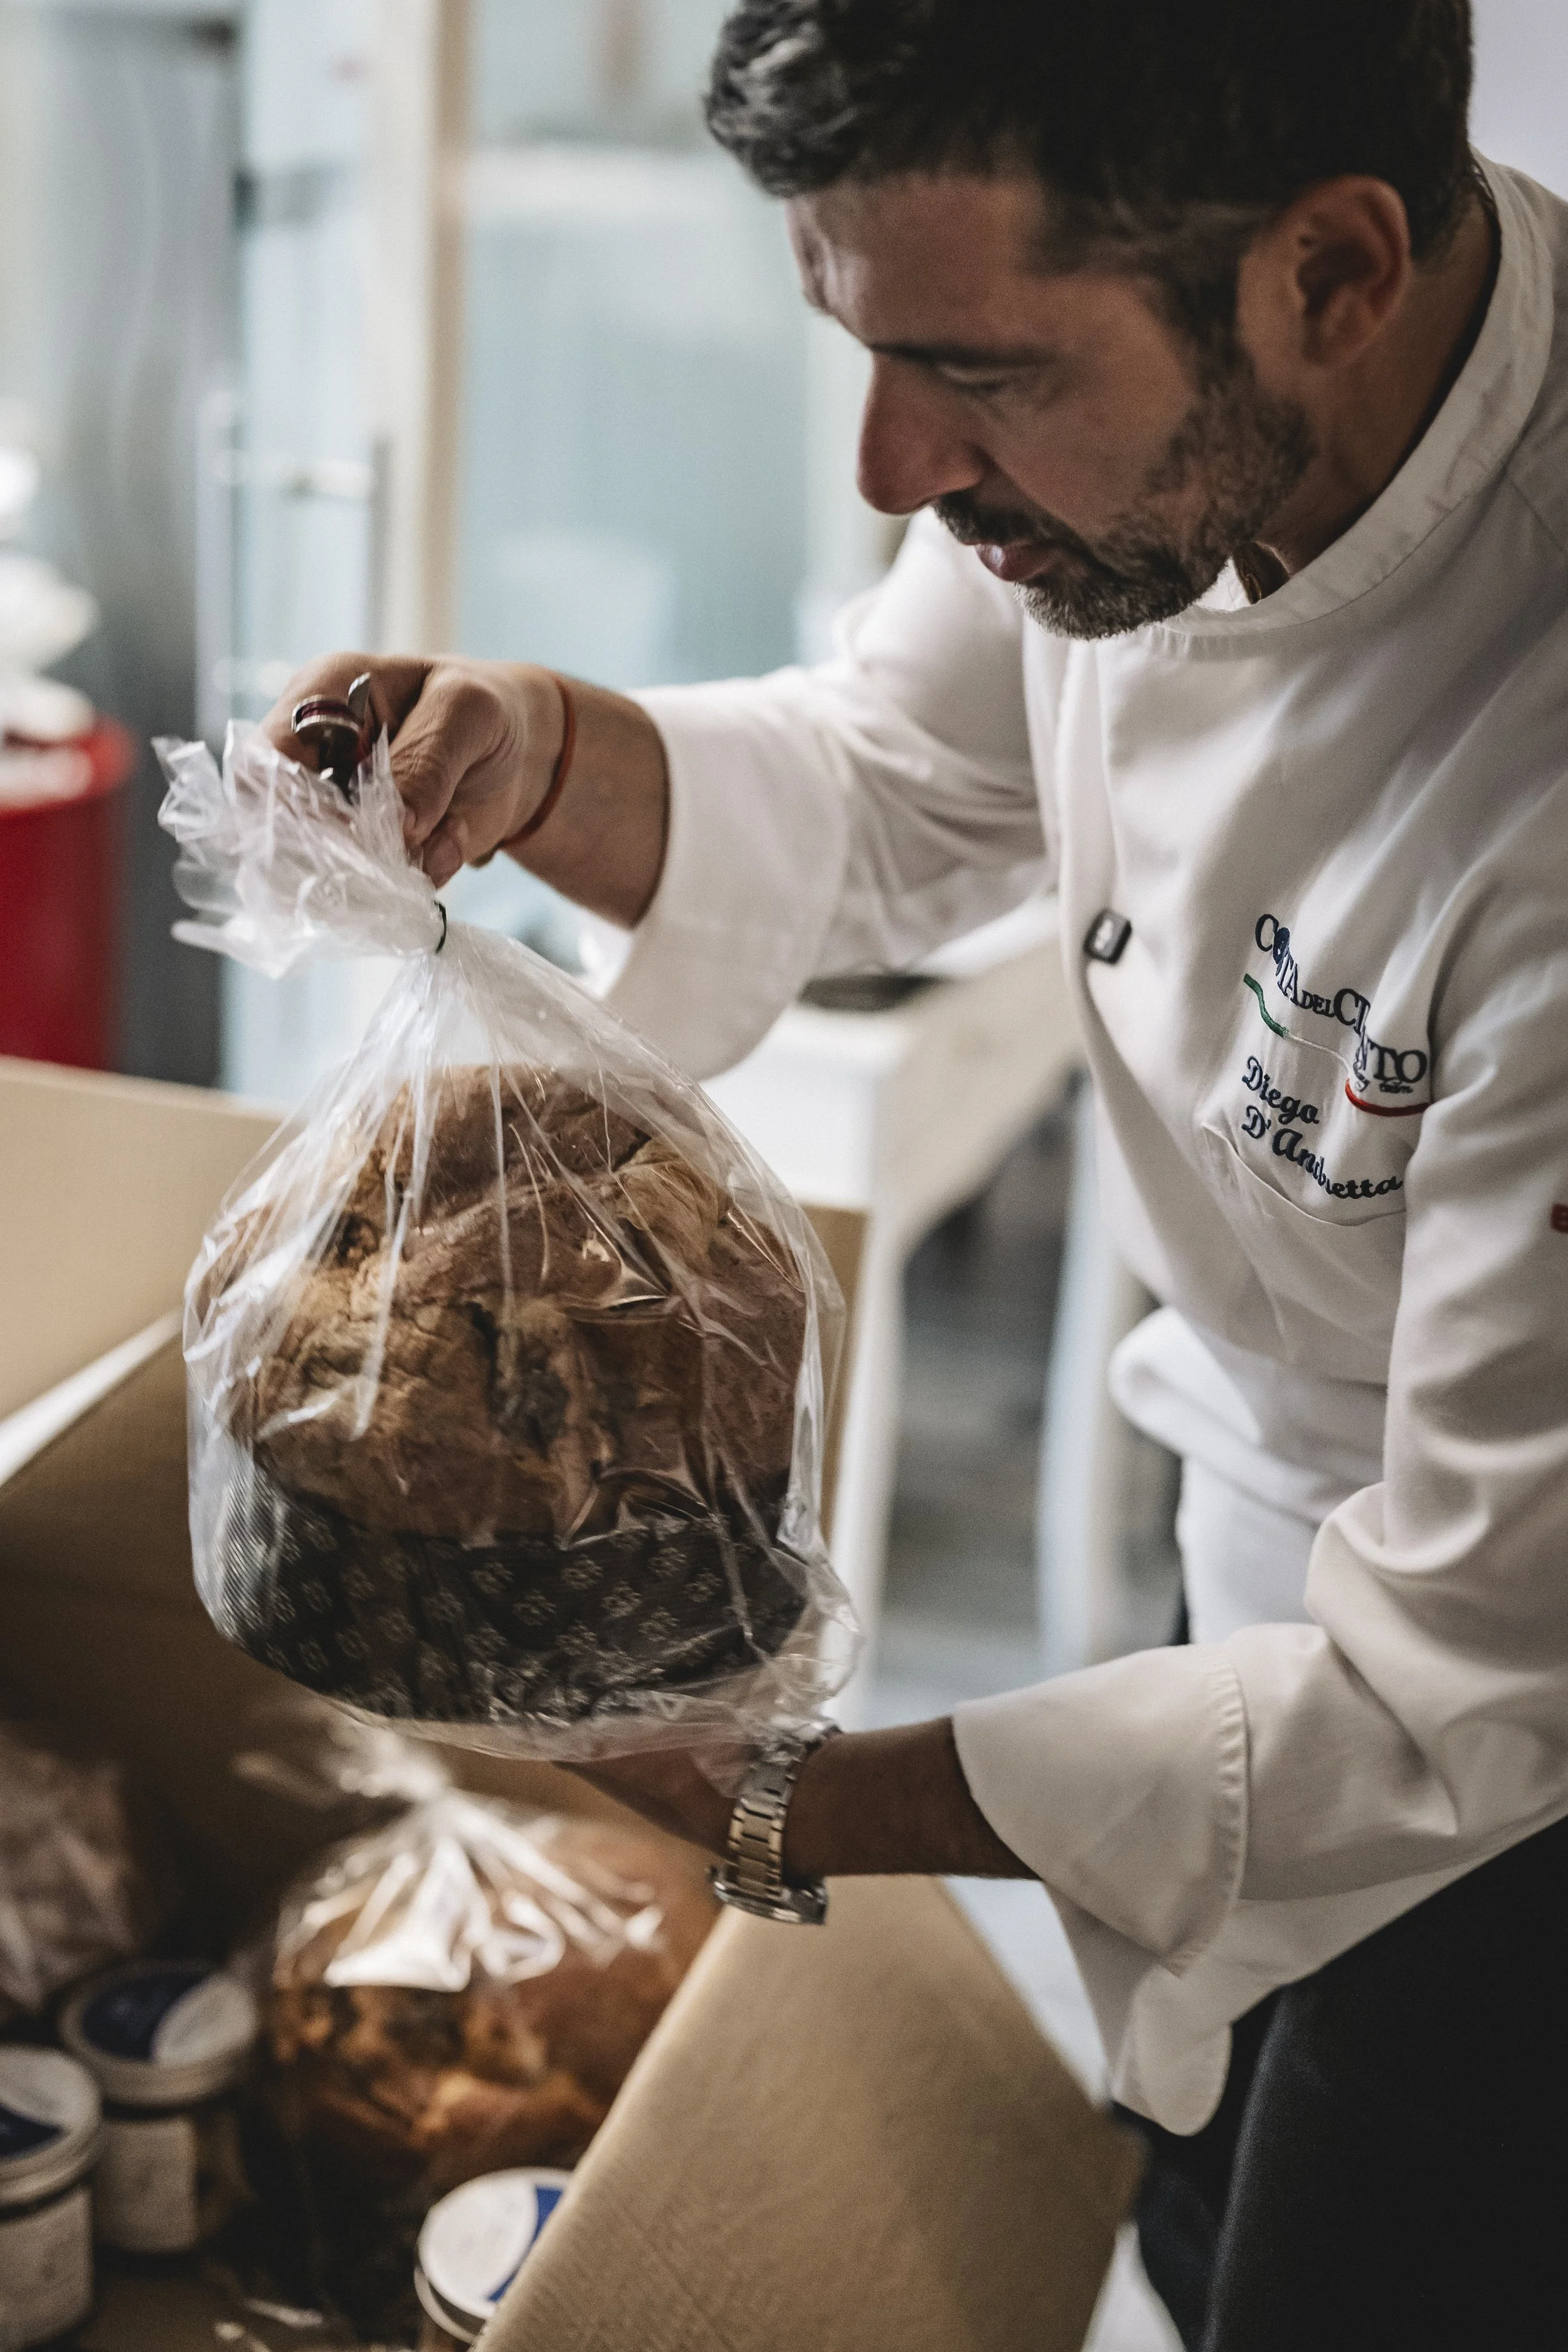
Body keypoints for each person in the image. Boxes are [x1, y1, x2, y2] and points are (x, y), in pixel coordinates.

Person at [268, 3, 1568, 2341]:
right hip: (1263, 1567)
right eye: (854, 344)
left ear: (1335, 274)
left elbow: (1452, 1700)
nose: (888, 468)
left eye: (975, 374)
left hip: (1519, 1772)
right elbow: (898, 778)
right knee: (1191, 2208)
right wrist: (552, 746)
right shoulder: (1138, 446)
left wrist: (778, 1800)